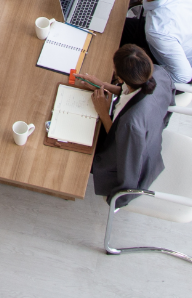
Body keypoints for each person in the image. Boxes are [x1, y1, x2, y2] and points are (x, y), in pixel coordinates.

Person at [72, 45, 175, 207]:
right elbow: (133, 93)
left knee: (73, 142)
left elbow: (119, 145)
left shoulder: (131, 123)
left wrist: (103, 112)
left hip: (132, 159)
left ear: (120, 78)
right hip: (147, 135)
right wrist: (103, 86)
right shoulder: (158, 73)